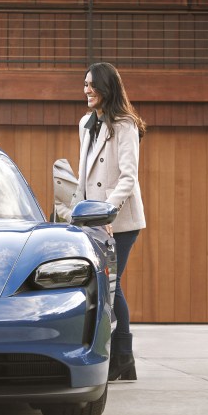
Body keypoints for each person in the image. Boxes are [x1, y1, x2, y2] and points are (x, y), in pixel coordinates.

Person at [74, 62, 146, 381]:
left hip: (120, 222)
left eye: (91, 84)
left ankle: (124, 358)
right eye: (85, 84)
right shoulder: (86, 124)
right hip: (92, 221)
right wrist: (75, 215)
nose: (86, 89)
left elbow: (128, 177)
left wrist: (107, 211)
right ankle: (120, 359)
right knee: (104, 287)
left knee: (111, 289)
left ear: (106, 87)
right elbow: (82, 178)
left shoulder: (125, 125)